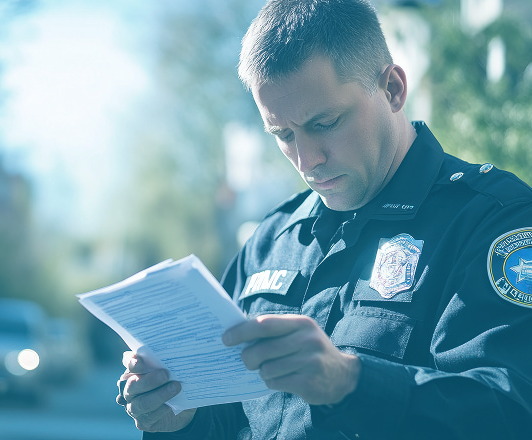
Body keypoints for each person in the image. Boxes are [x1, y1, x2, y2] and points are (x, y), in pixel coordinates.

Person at [115, 0, 532, 438]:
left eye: (325, 123)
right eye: (284, 134)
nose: (306, 159)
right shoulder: (271, 240)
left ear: (392, 88)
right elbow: (238, 419)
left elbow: (511, 410)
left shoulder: (493, 222)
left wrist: (351, 383)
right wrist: (182, 416)